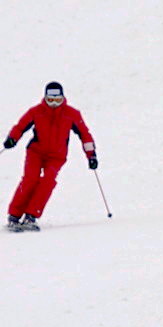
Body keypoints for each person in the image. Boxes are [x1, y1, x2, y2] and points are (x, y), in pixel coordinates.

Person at [5, 82, 97, 231]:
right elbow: (20, 126)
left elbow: (85, 135)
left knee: (48, 181)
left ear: (63, 98)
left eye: (57, 100)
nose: (54, 103)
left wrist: (91, 155)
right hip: (36, 152)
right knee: (30, 179)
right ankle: (14, 216)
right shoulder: (36, 111)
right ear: (45, 98)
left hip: (57, 156)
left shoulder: (72, 114)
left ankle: (31, 216)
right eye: (50, 100)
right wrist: (12, 138)